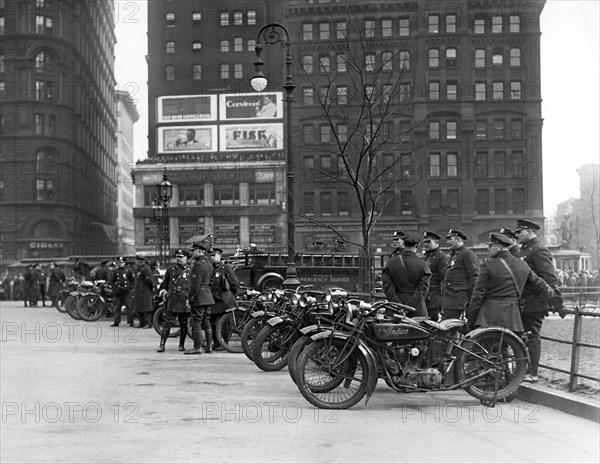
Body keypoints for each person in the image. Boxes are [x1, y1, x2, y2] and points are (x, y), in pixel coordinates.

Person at [466, 233, 556, 332]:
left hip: (489, 317)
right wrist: (556, 300)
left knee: (485, 346)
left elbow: (478, 294)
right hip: (513, 319)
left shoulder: (489, 264)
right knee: (509, 345)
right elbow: (540, 284)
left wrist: (471, 319)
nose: (488, 248)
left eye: (490, 246)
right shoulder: (522, 264)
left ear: (499, 247)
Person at [515, 219, 560, 383]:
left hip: (535, 301)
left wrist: (554, 298)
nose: (517, 235)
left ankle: (532, 373)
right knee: (524, 336)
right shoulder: (524, 250)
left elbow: (549, 277)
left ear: (529, 231)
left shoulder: (539, 250)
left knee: (532, 336)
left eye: (520, 232)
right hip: (524, 301)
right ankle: (524, 370)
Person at [382, 232, 431, 318]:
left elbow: (387, 287)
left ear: (404, 244)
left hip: (394, 309)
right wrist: (409, 306)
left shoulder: (391, 263)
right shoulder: (423, 265)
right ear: (417, 245)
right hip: (417, 310)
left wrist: (398, 305)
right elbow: (423, 289)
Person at [441, 229, 480, 321]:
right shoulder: (455, 254)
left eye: (450, 239)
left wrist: (471, 299)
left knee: (448, 323)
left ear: (458, 239)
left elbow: (474, 277)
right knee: (448, 324)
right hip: (451, 298)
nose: (447, 242)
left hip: (459, 299)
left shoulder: (467, 254)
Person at [185, 235, 215, 355]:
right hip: (207, 296)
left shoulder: (197, 265)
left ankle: (197, 347)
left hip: (199, 297)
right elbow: (211, 282)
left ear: (199, 251)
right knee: (207, 321)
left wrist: (190, 299)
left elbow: (194, 285)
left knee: (196, 322)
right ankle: (209, 347)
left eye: (193, 250)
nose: (191, 253)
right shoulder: (208, 263)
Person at [157, 249, 191, 352]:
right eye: (177, 257)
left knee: (183, 324)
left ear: (186, 258)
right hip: (173, 299)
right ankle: (162, 345)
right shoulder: (170, 269)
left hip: (184, 300)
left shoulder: (191, 270)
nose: (178, 259)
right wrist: (163, 291)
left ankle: (181, 345)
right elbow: (165, 284)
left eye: (181, 257)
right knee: (167, 323)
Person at [209, 247, 240, 350]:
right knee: (213, 322)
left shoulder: (226, 267)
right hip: (213, 300)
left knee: (224, 323)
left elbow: (234, 283)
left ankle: (224, 342)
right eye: (211, 256)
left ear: (220, 256)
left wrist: (230, 295)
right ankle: (216, 342)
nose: (212, 257)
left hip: (224, 300)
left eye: (214, 255)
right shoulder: (210, 268)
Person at [422, 231, 449, 321]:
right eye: (425, 242)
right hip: (426, 293)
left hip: (434, 295)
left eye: (429, 242)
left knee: (432, 321)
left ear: (436, 242)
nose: (426, 244)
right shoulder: (427, 256)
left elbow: (444, 278)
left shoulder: (441, 257)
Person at [110, 257, 135, 327]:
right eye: (119, 262)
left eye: (122, 262)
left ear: (124, 263)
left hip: (126, 291)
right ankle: (116, 322)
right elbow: (112, 281)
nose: (121, 264)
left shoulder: (129, 270)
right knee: (117, 307)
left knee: (129, 307)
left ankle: (131, 322)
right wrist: (115, 287)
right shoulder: (115, 271)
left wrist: (130, 287)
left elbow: (133, 280)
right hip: (118, 291)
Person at [132, 255, 154, 329]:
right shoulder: (140, 269)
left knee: (146, 307)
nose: (135, 262)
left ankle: (148, 323)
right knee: (140, 307)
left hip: (145, 291)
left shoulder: (145, 269)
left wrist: (149, 289)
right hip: (139, 292)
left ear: (140, 261)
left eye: (136, 261)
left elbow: (149, 280)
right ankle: (142, 323)